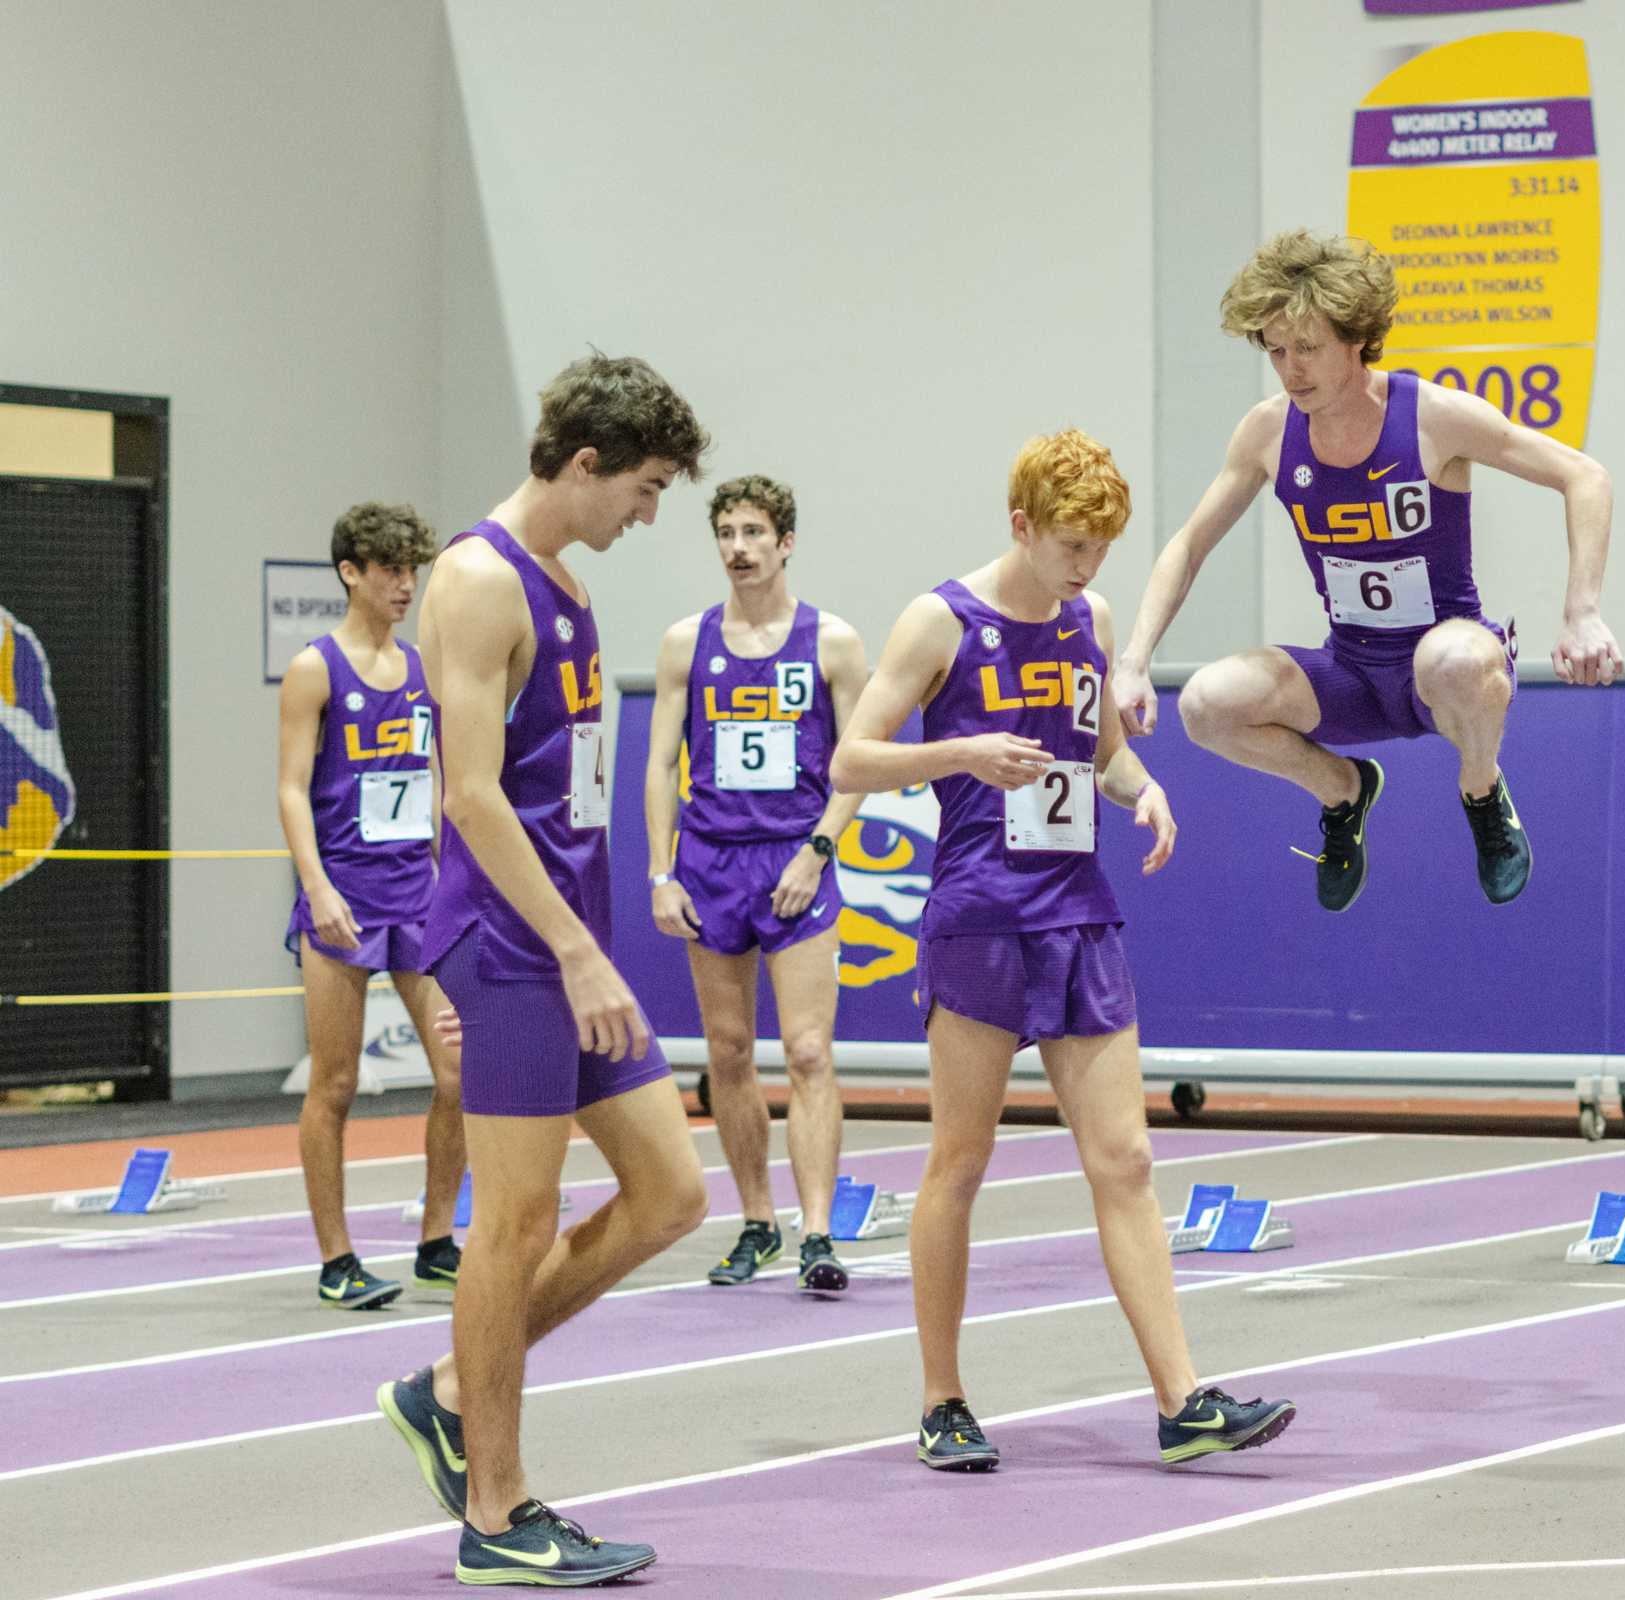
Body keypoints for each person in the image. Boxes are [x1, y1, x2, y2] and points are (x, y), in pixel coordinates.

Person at [831, 428, 1295, 1472]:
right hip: (980, 915)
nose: (1086, 566)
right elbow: (853, 755)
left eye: (1101, 547)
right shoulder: (936, 620)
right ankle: (943, 1397)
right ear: (1022, 526)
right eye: (1071, 544)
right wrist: (959, 753)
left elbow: (1100, 749)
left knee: (1125, 1158)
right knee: (960, 1160)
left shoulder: (1091, 618)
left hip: (1078, 913)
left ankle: (1183, 1402)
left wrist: (1147, 789)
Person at [373, 353, 711, 1588]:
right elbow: (468, 792)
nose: (650, 511)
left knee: (671, 1195)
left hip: (572, 942)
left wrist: (591, 939)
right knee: (510, 1222)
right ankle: (496, 1512)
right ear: (585, 464)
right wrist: (569, 949)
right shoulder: (473, 581)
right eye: (648, 487)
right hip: (516, 947)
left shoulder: (566, 585)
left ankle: (452, 1387)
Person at [1112, 229, 1624, 911]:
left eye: (1308, 348)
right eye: (1277, 352)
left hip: (1445, 667)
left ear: (1356, 337)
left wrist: (1582, 610)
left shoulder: (1433, 418)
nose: (1292, 370)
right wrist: (1134, 661)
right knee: (1206, 704)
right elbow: (1188, 545)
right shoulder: (1267, 433)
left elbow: (1583, 476)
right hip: (1349, 673)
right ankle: (1342, 790)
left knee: (1454, 659)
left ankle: (1481, 790)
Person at [644, 473, 868, 1291]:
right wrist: (662, 873)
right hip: (710, 865)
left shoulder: (833, 643)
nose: (738, 549)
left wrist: (817, 851)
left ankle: (817, 1234)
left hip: (793, 862)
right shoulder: (684, 644)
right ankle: (756, 1221)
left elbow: (857, 763)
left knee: (808, 1051)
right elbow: (661, 767)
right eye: (726, 534)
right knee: (730, 1051)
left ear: (785, 543)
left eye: (752, 533)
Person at [275, 501, 465, 1310]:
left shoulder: (423, 667)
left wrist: (453, 876)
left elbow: (440, 781)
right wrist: (316, 888)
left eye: (411, 569)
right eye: (388, 568)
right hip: (342, 896)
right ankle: (336, 1257)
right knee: (339, 1082)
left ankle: (435, 1239)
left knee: (458, 1070)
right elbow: (289, 786)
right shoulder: (315, 669)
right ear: (351, 571)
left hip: (418, 894)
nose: (404, 584)